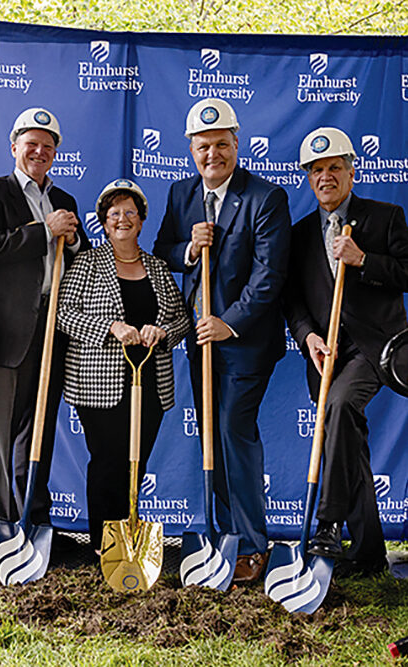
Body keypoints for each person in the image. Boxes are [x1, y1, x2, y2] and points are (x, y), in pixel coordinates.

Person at [153, 98, 291, 582]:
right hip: (199, 341)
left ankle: (254, 544)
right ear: (191, 150)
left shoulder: (265, 198)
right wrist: (190, 247)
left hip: (243, 343)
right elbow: (162, 251)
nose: (213, 154)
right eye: (203, 146)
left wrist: (229, 322)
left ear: (237, 144)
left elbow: (270, 276)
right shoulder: (181, 193)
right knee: (212, 434)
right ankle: (224, 534)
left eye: (221, 145)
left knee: (233, 431)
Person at [283, 127, 408, 576]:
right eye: (316, 170)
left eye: (334, 167)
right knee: (347, 442)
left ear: (352, 171)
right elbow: (292, 299)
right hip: (326, 351)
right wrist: (307, 337)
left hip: (378, 347)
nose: (325, 177)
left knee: (338, 409)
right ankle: (370, 551)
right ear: (308, 179)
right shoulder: (298, 236)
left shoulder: (385, 217)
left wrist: (364, 261)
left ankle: (328, 521)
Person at [0, 107, 89, 551]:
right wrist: (44, 231)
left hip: (54, 328)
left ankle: (35, 523)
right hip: (6, 330)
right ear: (14, 147)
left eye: (48, 145)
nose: (39, 152)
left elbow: (80, 258)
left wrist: (72, 239)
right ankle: (1, 527)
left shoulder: (66, 202)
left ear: (56, 152)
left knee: (38, 429)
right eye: (31, 144)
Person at [57, 179, 189, 553]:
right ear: (103, 220)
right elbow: (64, 315)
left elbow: (181, 319)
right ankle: (104, 543)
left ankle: (129, 538)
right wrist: (109, 327)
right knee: (109, 460)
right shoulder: (86, 262)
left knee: (136, 461)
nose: (122, 219)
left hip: (150, 381)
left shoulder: (158, 268)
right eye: (114, 213)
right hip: (98, 384)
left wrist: (161, 331)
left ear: (142, 219)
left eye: (130, 212)